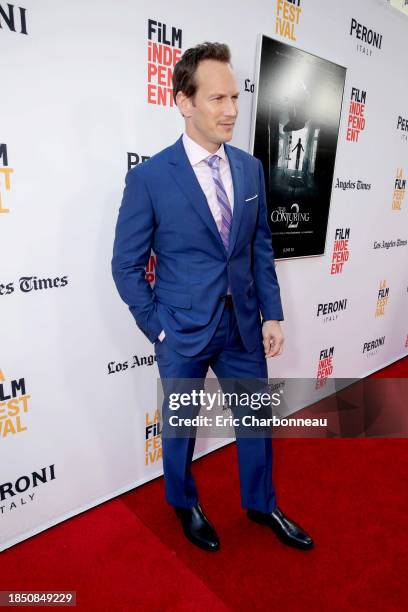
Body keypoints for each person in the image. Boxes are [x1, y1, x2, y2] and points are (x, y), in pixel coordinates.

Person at [112, 42, 313, 552]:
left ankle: (261, 503)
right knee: (180, 429)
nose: (231, 110)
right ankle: (183, 502)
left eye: (235, 97)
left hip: (243, 325)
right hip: (180, 329)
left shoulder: (249, 169)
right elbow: (125, 266)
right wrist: (157, 327)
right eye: (217, 99)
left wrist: (272, 314)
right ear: (183, 101)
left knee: (255, 421)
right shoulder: (150, 178)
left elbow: (259, 246)